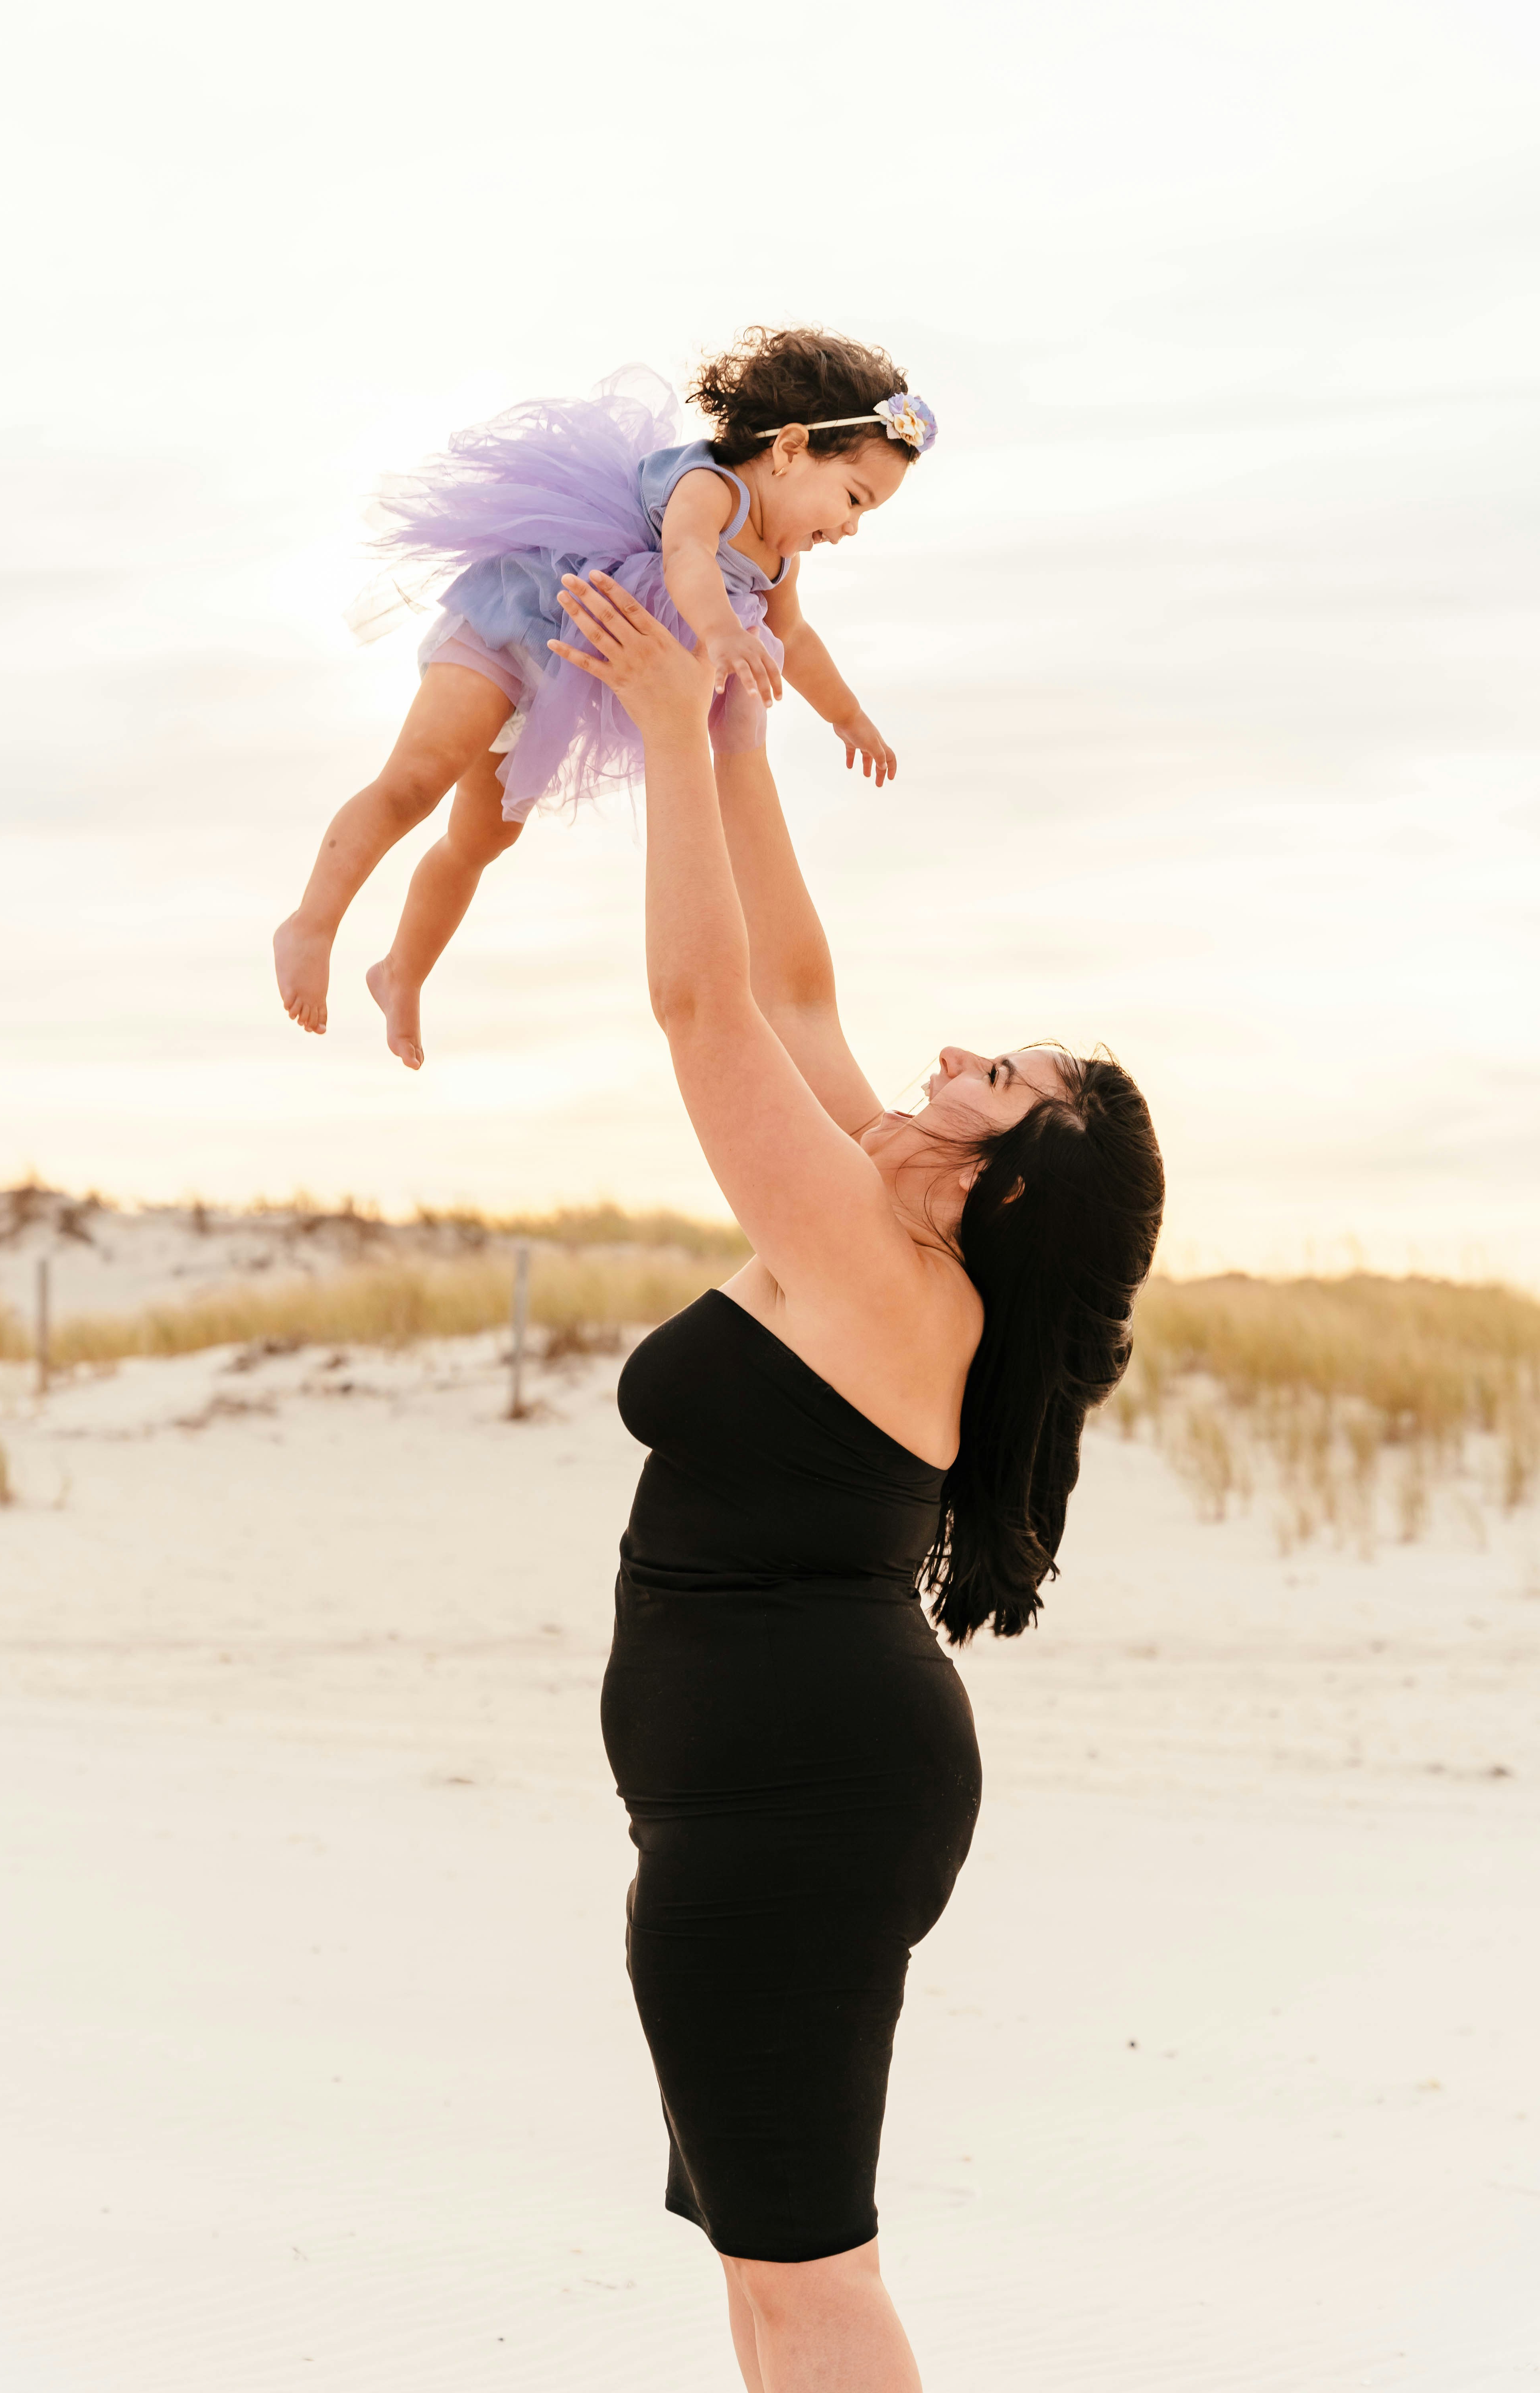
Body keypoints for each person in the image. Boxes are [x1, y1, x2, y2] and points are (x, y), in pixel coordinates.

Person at [557, 569, 1166, 2391]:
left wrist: (663, 730)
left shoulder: (884, 1268)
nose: (954, 1055)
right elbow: (792, 977)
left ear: (1015, 1172)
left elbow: (701, 1004)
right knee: (767, 2266)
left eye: (998, 1074)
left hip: (792, 1804)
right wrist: (740, 726)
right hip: (770, 1790)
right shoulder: (878, 1205)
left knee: (806, 2273)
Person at [272, 328, 937, 1068]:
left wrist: (849, 717)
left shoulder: (778, 563)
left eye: (865, 516)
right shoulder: (713, 488)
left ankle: (401, 971)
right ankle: (312, 922)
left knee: (483, 839)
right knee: (418, 781)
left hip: (568, 675)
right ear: (787, 449)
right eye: (852, 499)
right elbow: (686, 555)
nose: (849, 527)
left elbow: (799, 641)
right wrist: (719, 633)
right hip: (519, 621)